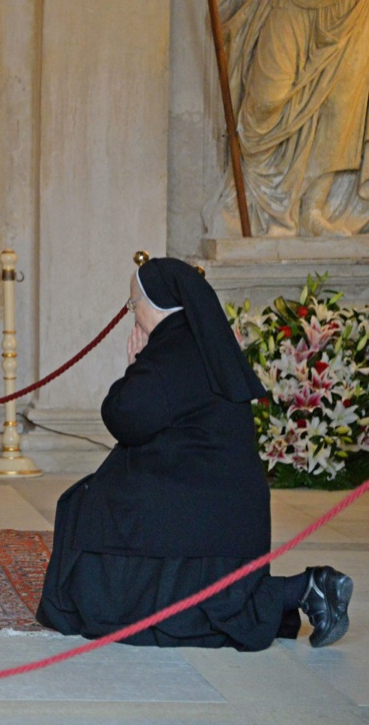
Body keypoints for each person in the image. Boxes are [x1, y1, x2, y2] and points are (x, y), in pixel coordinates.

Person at [36, 257, 354, 650]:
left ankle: (308, 588)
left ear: (155, 303)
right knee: (205, 599)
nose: (132, 313)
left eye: (133, 304)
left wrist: (134, 366)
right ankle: (308, 589)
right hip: (225, 510)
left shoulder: (172, 351)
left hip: (193, 508)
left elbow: (124, 418)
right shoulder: (199, 341)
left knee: (94, 513)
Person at [207, 0, 369, 238]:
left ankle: (313, 209)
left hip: (350, 4)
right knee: (266, 100)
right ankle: (265, 203)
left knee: (339, 107)